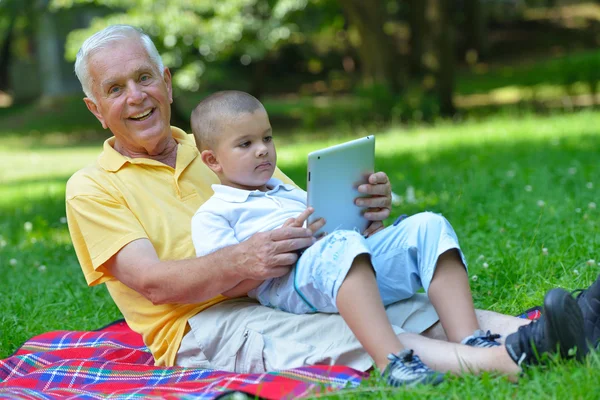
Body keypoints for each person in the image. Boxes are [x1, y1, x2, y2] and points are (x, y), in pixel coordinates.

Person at [65, 24, 599, 386]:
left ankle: (575, 322)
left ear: (167, 83)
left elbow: (305, 214)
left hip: (291, 284)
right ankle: (512, 359)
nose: (135, 96)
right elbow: (155, 283)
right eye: (115, 88)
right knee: (359, 329)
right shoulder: (91, 188)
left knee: (407, 306)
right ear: (95, 109)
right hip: (206, 323)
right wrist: (244, 261)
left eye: (143, 78)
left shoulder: (223, 142)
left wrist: (363, 211)